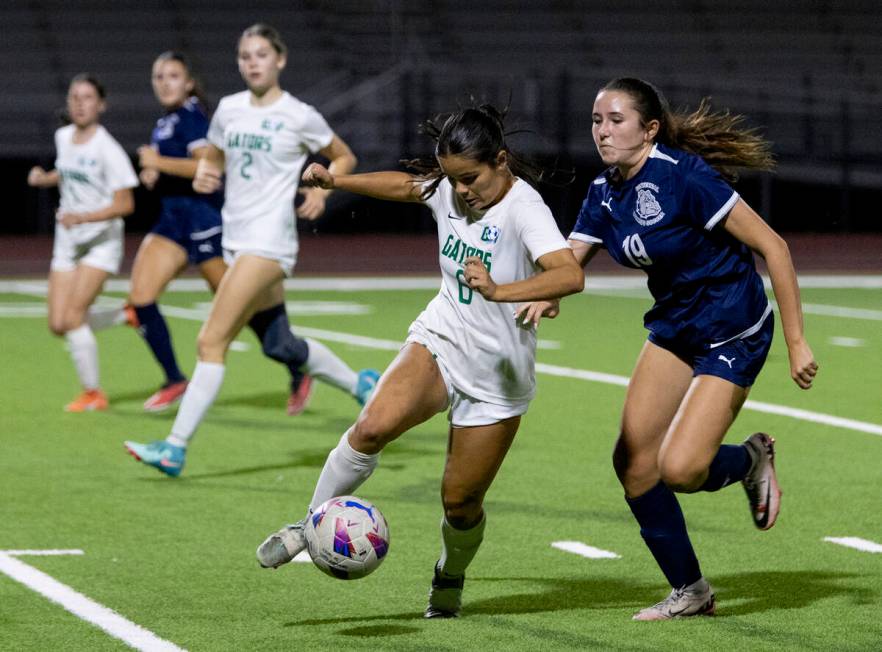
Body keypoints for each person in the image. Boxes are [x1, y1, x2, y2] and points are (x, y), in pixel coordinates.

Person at [255, 104, 585, 619]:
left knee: (460, 503)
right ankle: (309, 524)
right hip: (441, 338)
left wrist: (502, 290)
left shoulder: (525, 208)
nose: (461, 191)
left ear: (500, 160)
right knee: (370, 427)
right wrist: (337, 180)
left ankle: (450, 575)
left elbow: (569, 274)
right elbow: (409, 187)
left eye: (470, 178)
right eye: (452, 179)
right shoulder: (448, 188)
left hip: (496, 377)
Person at [560, 78, 818, 620]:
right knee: (632, 463)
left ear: (649, 129)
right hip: (677, 327)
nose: (602, 132)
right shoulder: (604, 191)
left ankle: (750, 459)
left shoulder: (684, 177)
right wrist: (529, 294)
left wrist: (797, 342)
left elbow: (774, 246)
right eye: (595, 121)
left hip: (733, 329)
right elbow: (565, 264)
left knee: (679, 469)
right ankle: (692, 592)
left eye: (615, 120)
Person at [124, 24, 378, 476]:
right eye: (245, 55)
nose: (252, 62)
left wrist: (324, 188)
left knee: (210, 340)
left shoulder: (299, 114)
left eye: (261, 54)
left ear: (279, 60)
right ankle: (359, 383)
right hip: (236, 239)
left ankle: (175, 448)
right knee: (279, 342)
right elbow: (215, 161)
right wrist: (205, 175)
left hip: (270, 242)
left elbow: (343, 156)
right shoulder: (228, 110)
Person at [129, 50, 330, 415]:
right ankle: (174, 378)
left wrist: (157, 163)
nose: (164, 83)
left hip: (205, 221)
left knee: (242, 308)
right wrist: (154, 172)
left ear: (189, 82)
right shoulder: (166, 122)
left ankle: (295, 366)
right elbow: (178, 166)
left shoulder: (191, 117)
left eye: (173, 76)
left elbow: (206, 166)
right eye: (159, 77)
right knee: (141, 299)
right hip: (173, 222)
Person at [27, 74, 138, 412]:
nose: (79, 103)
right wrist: (44, 178)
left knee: (74, 316)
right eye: (74, 97)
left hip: (101, 242)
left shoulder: (108, 149)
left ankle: (93, 394)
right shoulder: (63, 137)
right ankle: (124, 314)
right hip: (68, 241)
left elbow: (125, 204)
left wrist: (84, 218)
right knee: (58, 324)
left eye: (87, 97)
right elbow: (68, 170)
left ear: (100, 104)